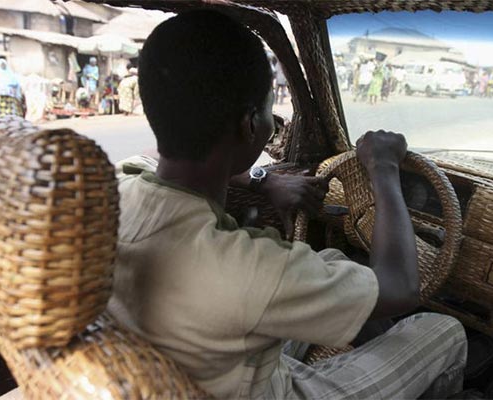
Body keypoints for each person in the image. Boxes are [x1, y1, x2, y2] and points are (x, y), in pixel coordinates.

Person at [108, 11, 467, 400]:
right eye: (268, 112)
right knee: (443, 331)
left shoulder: (115, 191)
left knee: (329, 254)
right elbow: (400, 287)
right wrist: (383, 168)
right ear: (250, 125)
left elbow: (165, 163)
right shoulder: (252, 267)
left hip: (189, 369)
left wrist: (265, 180)